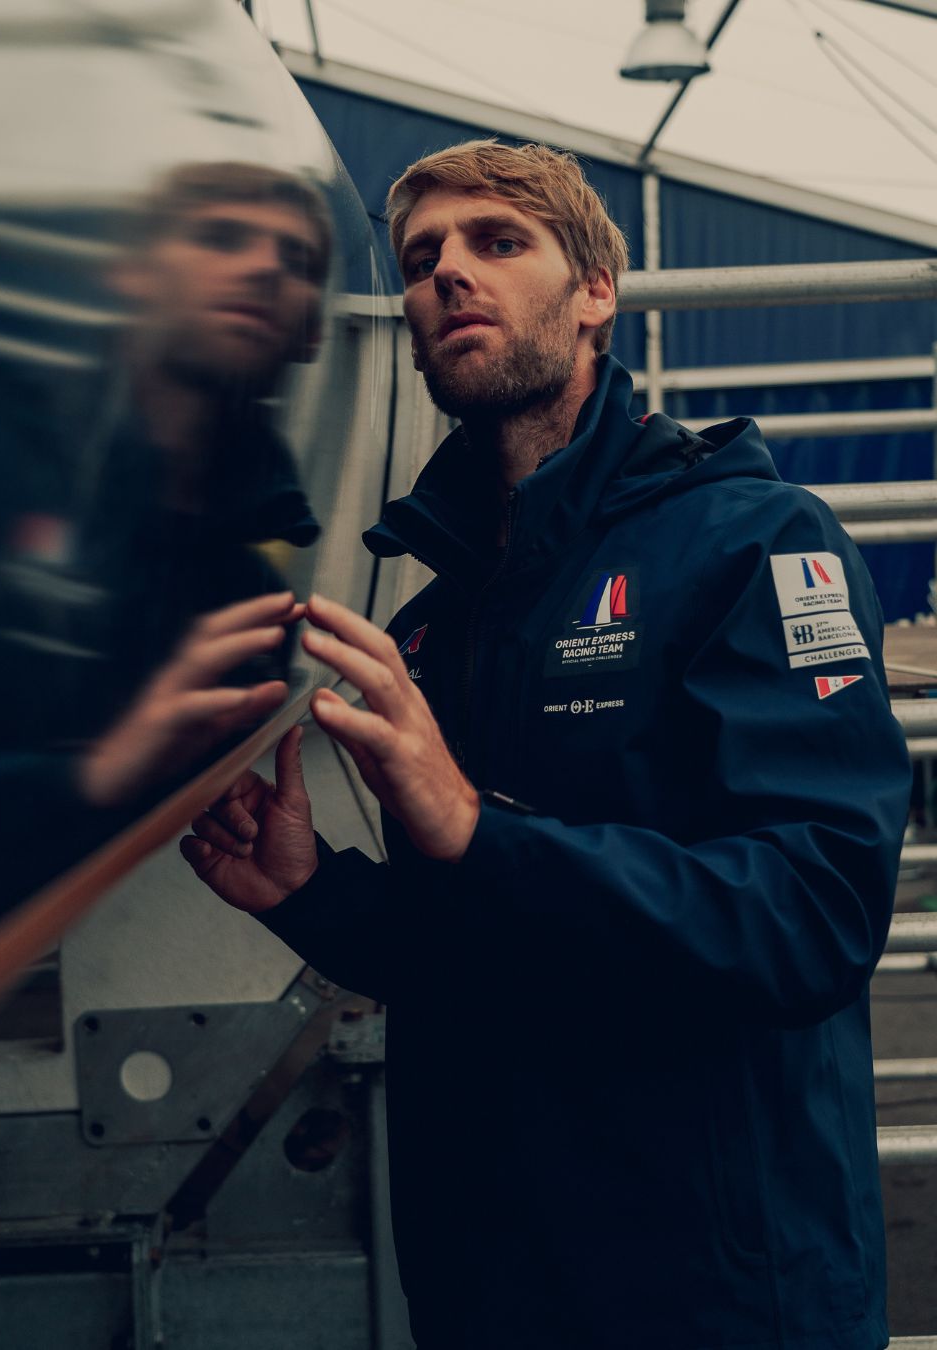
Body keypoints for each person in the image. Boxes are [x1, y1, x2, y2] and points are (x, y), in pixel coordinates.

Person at [181, 141, 912, 1350]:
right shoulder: (438, 619)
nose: (448, 273)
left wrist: (479, 829)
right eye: (422, 258)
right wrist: (313, 896)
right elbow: (490, 952)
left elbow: (813, 916)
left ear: (594, 295)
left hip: (715, 1297)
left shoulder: (755, 543)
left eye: (498, 241)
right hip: (494, 1290)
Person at [0, 161, 330, 1019]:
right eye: (221, 237)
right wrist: (87, 778)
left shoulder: (249, 596)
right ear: (131, 274)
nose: (265, 265)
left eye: (296, 260)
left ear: (312, 331)